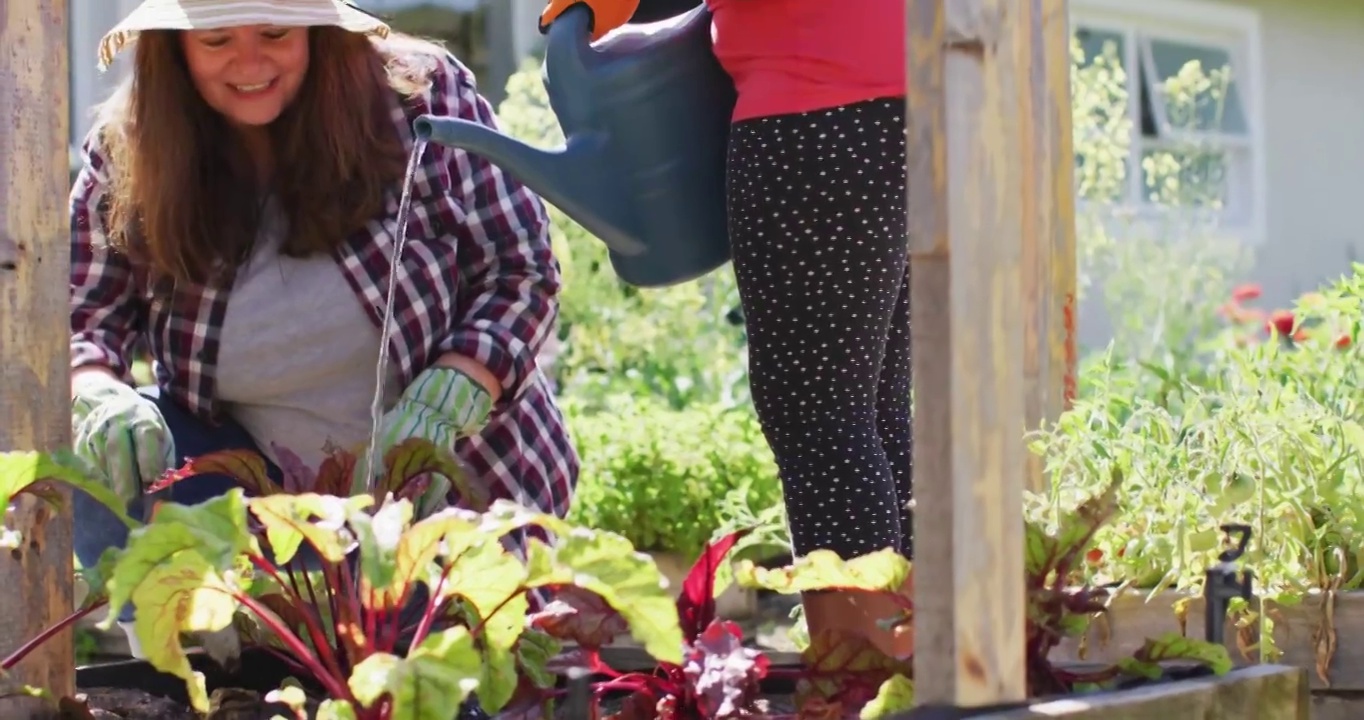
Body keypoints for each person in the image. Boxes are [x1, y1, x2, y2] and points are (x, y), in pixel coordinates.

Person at [69, 0, 579, 677]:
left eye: (275, 33)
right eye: (217, 40)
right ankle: (190, 661)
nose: (250, 63)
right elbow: (79, 319)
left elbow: (521, 269)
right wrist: (97, 392)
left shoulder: (418, 96)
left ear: (317, 32)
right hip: (262, 518)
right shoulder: (130, 147)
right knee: (68, 444)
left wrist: (458, 383)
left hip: (447, 498)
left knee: (427, 681)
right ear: (175, 50)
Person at [540, 0, 913, 657]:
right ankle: (906, 664)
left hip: (815, 105)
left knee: (820, 414)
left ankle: (861, 678)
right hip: (896, 100)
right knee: (870, 409)